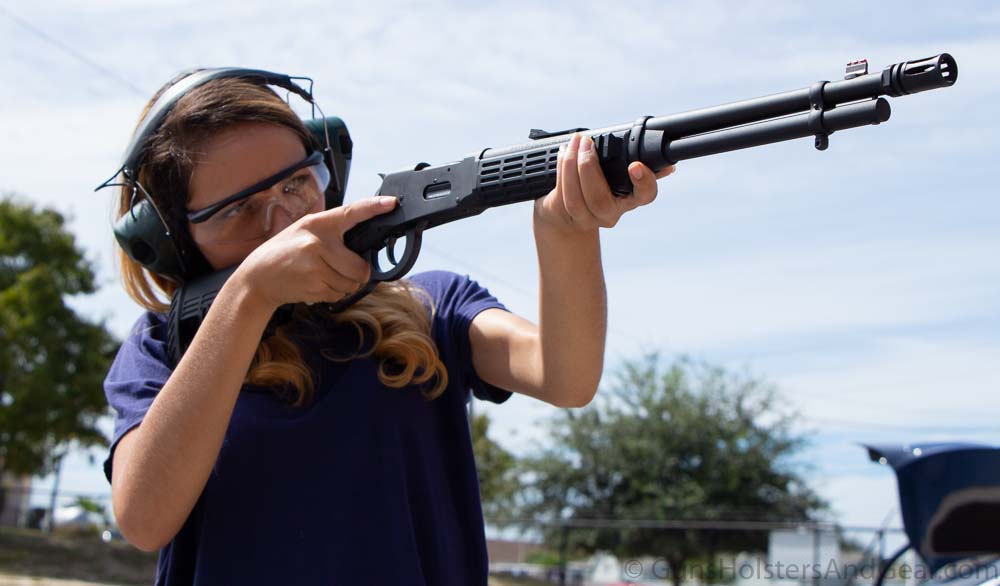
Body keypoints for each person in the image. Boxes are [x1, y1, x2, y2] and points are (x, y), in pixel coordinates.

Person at [101, 69, 676, 585]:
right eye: (237, 210)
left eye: (297, 181)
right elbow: (145, 519)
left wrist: (566, 229)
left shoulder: (430, 305)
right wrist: (249, 297)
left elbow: (566, 377)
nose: (283, 220)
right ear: (171, 239)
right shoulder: (163, 346)